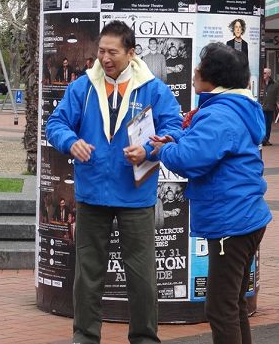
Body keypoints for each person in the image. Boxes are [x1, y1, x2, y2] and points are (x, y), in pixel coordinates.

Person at [46, 20, 182, 344]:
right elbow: (56, 123)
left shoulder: (153, 88)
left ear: (131, 53)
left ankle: (145, 338)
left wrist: (149, 148)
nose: (105, 58)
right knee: (88, 275)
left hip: (135, 195)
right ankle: (85, 336)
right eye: (101, 51)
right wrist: (70, 142)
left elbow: (176, 128)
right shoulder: (83, 86)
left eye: (112, 52)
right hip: (92, 193)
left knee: (142, 277)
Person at [152, 42, 272, 344]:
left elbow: (191, 159)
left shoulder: (219, 115)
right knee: (233, 305)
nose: (194, 71)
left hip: (230, 223)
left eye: (200, 66)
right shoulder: (231, 107)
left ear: (213, 76)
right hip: (244, 218)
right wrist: (174, 139)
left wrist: (164, 149)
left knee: (219, 308)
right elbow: (201, 144)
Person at [260, 68, 279, 146]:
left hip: (270, 107)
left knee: (268, 125)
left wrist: (278, 103)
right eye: (263, 73)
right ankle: (262, 139)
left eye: (265, 73)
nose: (263, 74)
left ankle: (266, 139)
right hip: (261, 108)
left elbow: (277, 96)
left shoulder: (275, 84)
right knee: (263, 124)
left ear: (269, 74)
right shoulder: (261, 83)